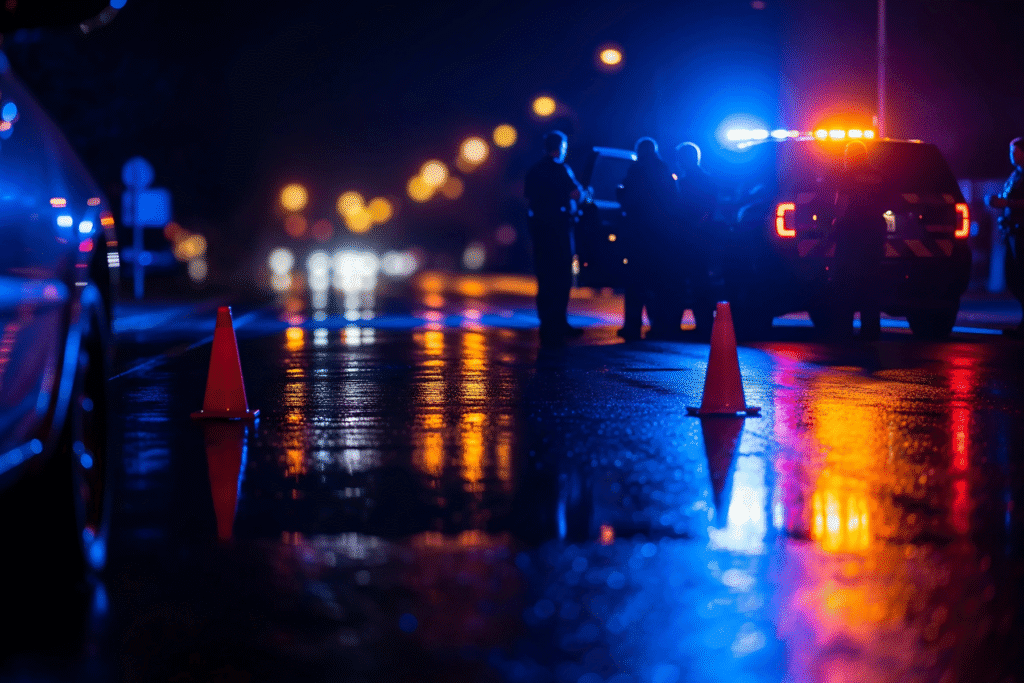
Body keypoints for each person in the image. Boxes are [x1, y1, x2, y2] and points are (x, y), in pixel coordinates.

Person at [524, 130, 587, 347]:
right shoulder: (560, 169)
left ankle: (546, 322)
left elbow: (529, 198)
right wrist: (585, 194)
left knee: (544, 277)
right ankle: (559, 321)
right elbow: (576, 194)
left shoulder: (534, 170)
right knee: (561, 277)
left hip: (540, 230)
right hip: (559, 230)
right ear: (560, 147)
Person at [617, 137, 680, 340]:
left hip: (638, 236)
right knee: (659, 284)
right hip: (661, 237)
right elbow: (674, 199)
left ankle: (632, 327)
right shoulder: (664, 169)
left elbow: (628, 199)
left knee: (635, 285)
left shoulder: (636, 170)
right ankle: (660, 326)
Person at [828, 140, 887, 340]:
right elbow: (887, 204)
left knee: (845, 282)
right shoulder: (878, 175)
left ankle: (843, 330)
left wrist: (834, 223)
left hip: (852, 235)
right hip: (875, 235)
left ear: (850, 157)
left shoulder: (847, 175)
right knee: (871, 283)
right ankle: (871, 330)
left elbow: (841, 205)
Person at [673, 141, 717, 336]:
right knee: (700, 282)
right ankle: (705, 325)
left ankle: (677, 326)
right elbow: (711, 209)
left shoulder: (682, 183)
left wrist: (691, 228)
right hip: (701, 238)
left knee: (685, 282)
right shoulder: (707, 180)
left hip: (689, 238)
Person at [985, 137, 1024, 338]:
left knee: (1021, 277)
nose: (1011, 154)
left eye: (1014, 151)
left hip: (1021, 231)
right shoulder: (1016, 174)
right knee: (1013, 277)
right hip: (1012, 232)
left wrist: (1005, 203)